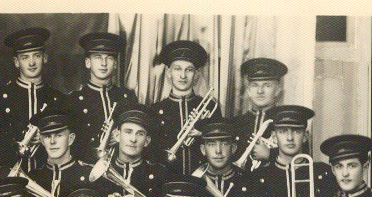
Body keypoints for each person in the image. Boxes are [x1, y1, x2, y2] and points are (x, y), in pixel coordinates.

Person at [99, 104, 174, 197]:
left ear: (147, 141)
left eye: (140, 134)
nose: (133, 139)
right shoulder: (101, 172)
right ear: (116, 135)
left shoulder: (160, 173)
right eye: (128, 132)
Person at [0, 27, 64, 170]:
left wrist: (44, 139)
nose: (31, 63)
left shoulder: (58, 99)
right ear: (16, 62)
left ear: (45, 57)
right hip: (11, 175)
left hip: (47, 176)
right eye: (25, 57)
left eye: (36, 55)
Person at [149, 40, 221, 176]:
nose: (183, 76)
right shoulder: (155, 109)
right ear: (168, 72)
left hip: (204, 179)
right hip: (166, 178)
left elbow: (220, 145)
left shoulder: (211, 106)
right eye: (177, 69)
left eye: (189, 70)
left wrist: (202, 133)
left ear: (197, 74)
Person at [66, 32, 137, 165]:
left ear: (115, 64)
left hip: (120, 167)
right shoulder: (73, 100)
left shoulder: (127, 97)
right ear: (88, 62)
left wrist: (119, 138)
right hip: (87, 169)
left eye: (109, 58)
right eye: (98, 57)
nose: (104, 63)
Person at [25, 107, 93, 197]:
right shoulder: (33, 177)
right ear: (42, 141)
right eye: (47, 136)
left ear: (71, 139)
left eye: (59, 135)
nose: (52, 141)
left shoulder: (89, 175)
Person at [230, 58, 287, 170]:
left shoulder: (286, 122)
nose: (260, 91)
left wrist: (270, 155)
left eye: (267, 85)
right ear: (248, 90)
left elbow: (299, 161)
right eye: (255, 85)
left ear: (278, 89)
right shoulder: (234, 123)